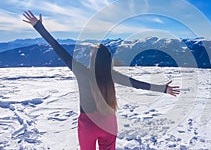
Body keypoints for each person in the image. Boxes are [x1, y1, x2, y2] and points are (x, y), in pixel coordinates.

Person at [22, 10, 180, 150]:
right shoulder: (111, 75)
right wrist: (163, 89)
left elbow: (58, 49)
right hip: (109, 124)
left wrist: (39, 27)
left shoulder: (81, 71)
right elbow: (136, 84)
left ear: (92, 60)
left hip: (87, 124)